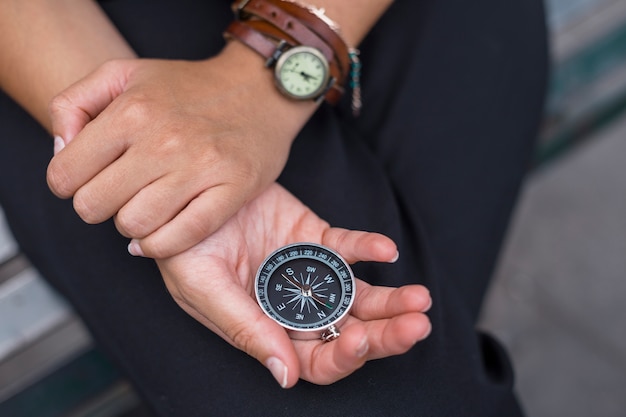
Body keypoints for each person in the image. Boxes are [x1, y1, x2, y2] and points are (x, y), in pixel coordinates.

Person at [0, 0, 548, 415]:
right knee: (400, 387)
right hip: (69, 39)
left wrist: (254, 86)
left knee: (394, 380)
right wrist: (153, 145)